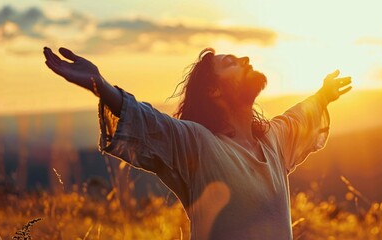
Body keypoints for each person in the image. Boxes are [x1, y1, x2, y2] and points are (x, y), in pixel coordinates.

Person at [42, 46, 352, 240]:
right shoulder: (199, 144)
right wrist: (102, 86)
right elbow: (150, 122)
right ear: (215, 93)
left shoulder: (273, 140)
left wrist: (323, 95)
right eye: (230, 62)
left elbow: (298, 116)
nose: (244, 58)